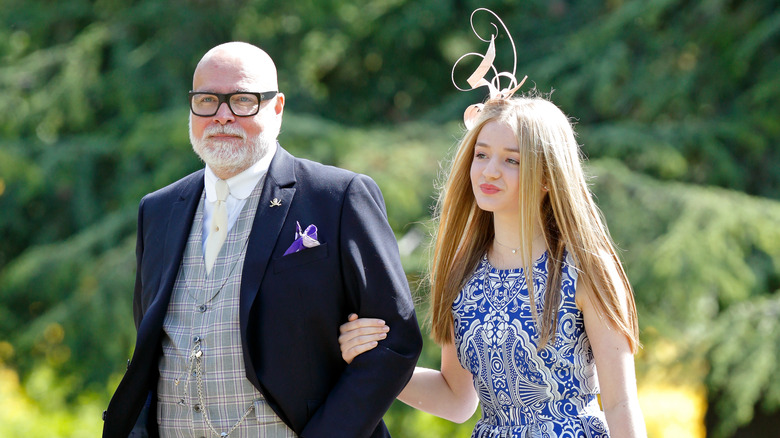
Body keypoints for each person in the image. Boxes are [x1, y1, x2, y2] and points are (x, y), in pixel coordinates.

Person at [102, 41, 422, 438]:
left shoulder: (337, 197)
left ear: (277, 106)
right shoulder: (158, 209)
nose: (222, 115)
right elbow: (152, 348)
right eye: (206, 100)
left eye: (242, 100)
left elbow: (396, 344)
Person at [338, 93, 648, 437]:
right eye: (481, 154)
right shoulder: (462, 273)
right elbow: (457, 400)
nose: (489, 170)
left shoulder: (585, 269)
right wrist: (374, 361)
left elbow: (621, 403)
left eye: (511, 161)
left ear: (547, 176)